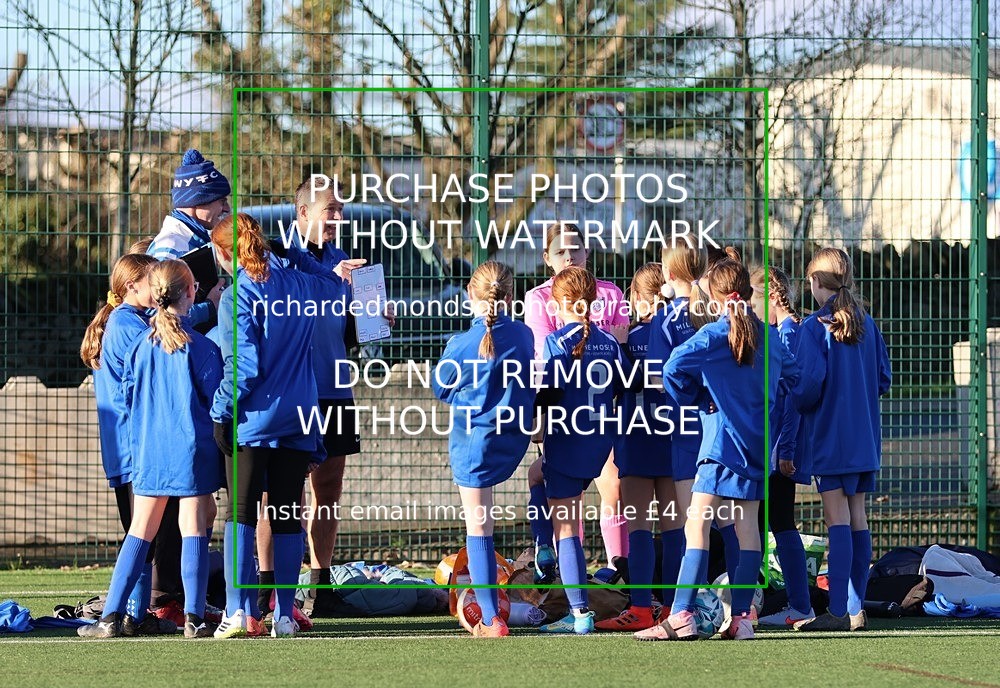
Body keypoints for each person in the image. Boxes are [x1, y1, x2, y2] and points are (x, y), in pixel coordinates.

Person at [635, 259, 799, 641]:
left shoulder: (713, 334)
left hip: (720, 445)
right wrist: (765, 403)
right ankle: (743, 619)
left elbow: (672, 368)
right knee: (749, 531)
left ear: (714, 297)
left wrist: (698, 399)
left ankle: (681, 615)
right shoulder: (769, 336)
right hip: (757, 448)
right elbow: (794, 376)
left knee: (697, 526)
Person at [209, 213, 339, 639]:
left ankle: (236, 610)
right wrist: (300, 257)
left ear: (224, 253)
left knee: (241, 514)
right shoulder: (299, 283)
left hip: (254, 420)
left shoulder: (237, 294)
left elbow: (243, 367)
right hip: (299, 418)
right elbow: (335, 284)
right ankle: (284, 614)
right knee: (287, 515)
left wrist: (220, 411)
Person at [79, 260, 223, 639]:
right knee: (193, 528)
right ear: (190, 291)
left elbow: (129, 396)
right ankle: (194, 618)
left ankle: (110, 617)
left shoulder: (140, 347)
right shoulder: (203, 348)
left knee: (139, 531)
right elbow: (219, 404)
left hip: (149, 452)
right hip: (191, 452)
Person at [432, 261, 536, 637]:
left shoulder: (461, 343)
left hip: (473, 444)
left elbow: (440, 387)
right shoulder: (524, 335)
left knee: (478, 527)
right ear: (510, 296)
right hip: (513, 438)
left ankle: (491, 619)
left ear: (470, 295)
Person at [792, 248, 891, 632]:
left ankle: (838, 611)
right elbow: (883, 379)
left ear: (816, 281)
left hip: (831, 438)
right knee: (857, 519)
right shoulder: (868, 324)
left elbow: (807, 388)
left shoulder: (815, 326)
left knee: (837, 520)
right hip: (864, 438)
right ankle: (855, 608)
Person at [523, 222, 630, 578]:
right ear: (547, 258)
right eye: (560, 251)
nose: (569, 256)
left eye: (575, 249)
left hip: (597, 413)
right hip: (565, 413)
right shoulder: (538, 297)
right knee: (566, 502)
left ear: (587, 252)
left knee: (613, 487)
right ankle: (568, 572)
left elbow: (622, 340)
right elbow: (545, 350)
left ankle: (616, 569)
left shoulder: (610, 292)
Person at [80, 252, 176, 636]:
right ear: (132, 285)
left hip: (132, 447)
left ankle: (134, 616)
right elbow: (159, 360)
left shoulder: (131, 320)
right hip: (134, 449)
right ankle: (120, 615)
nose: (159, 287)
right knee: (140, 535)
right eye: (152, 280)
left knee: (144, 536)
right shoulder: (126, 324)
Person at [536, 267, 626, 635]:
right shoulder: (609, 342)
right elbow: (621, 387)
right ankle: (544, 547)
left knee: (567, 529)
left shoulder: (555, 342)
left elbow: (549, 391)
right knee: (544, 484)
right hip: (600, 443)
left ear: (558, 304)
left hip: (567, 440)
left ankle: (579, 613)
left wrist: (535, 420)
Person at [596, 263, 676, 632]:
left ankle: (642, 607)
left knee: (639, 527)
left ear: (635, 297)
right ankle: (675, 607)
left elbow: (613, 385)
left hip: (635, 436)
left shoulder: (627, 338)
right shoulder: (680, 331)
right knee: (675, 528)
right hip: (674, 436)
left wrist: (620, 346)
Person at [749, 265, 816, 626]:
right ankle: (788, 605)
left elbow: (791, 399)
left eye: (755, 303)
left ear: (772, 297)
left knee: (771, 522)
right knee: (773, 521)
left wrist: (784, 449)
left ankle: (785, 606)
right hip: (774, 443)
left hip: (775, 446)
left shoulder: (788, 334)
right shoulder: (787, 331)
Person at [645, 245, 706, 598]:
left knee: (692, 525)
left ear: (668, 275)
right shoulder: (717, 312)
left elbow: (657, 378)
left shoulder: (665, 319)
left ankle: (689, 605)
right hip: (721, 427)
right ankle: (742, 605)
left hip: (685, 428)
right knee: (732, 522)